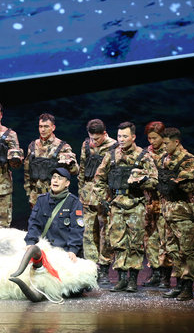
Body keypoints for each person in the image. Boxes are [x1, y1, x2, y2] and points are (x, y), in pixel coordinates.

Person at [94, 122, 158, 292]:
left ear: (133, 137)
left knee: (135, 242)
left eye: (125, 136)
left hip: (136, 204)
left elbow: (154, 181)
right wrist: (105, 200)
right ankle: (122, 278)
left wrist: (142, 181)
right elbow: (99, 179)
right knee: (118, 241)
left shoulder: (143, 156)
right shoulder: (111, 156)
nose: (121, 139)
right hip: (116, 204)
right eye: (119, 136)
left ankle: (133, 279)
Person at [157, 127, 194, 301]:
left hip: (183, 211)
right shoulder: (164, 158)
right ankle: (178, 283)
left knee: (187, 250)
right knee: (172, 249)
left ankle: (187, 286)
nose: (164, 147)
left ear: (176, 142)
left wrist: (179, 182)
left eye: (166, 143)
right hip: (168, 211)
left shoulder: (188, 159)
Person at [77, 119, 118, 288]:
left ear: (105, 134)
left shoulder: (114, 146)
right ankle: (92, 268)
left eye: (97, 138)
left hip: (105, 195)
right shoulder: (86, 145)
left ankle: (104, 268)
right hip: (87, 194)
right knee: (88, 233)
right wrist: (80, 190)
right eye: (92, 138)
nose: (94, 141)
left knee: (105, 233)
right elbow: (82, 168)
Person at [24, 167, 84, 261]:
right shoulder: (41, 200)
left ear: (67, 183)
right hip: (44, 250)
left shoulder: (74, 203)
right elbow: (34, 224)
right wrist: (30, 242)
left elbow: (76, 229)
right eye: (54, 177)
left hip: (64, 252)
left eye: (60, 178)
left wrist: (73, 250)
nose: (55, 180)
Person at [23, 113, 78, 208]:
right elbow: (27, 171)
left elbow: (75, 171)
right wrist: (29, 192)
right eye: (40, 126)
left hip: (56, 197)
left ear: (53, 127)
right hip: (35, 198)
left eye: (46, 126)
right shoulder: (32, 146)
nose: (43, 130)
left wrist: (69, 163)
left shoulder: (62, 147)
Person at [142, 121, 173, 288]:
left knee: (165, 239)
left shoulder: (169, 154)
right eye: (149, 138)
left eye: (155, 138)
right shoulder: (145, 153)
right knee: (150, 238)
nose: (152, 141)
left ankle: (165, 275)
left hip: (164, 202)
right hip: (149, 202)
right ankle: (154, 271)